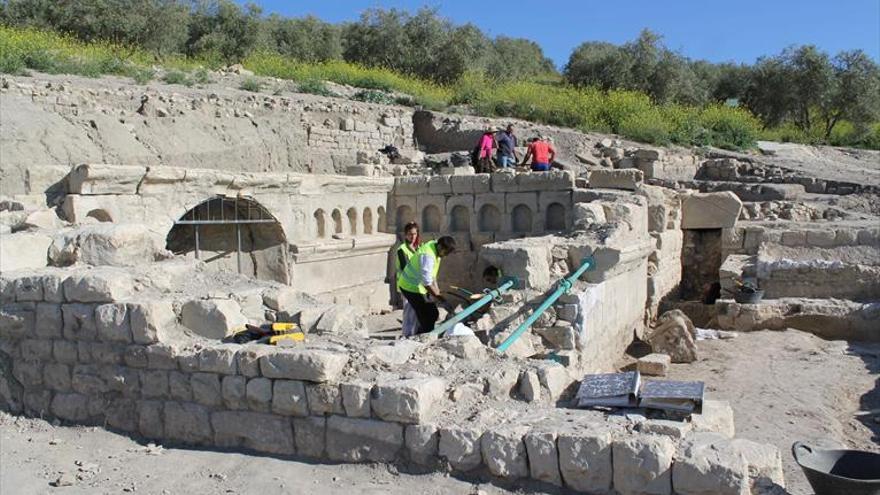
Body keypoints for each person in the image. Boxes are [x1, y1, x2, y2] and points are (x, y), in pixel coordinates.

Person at [397, 236, 457, 334]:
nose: (445, 256)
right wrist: (441, 299)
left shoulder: (435, 248)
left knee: (433, 313)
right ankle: (423, 338)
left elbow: (432, 278)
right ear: (440, 247)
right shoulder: (428, 256)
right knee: (427, 316)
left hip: (418, 286)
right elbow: (427, 283)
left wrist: (439, 296)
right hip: (409, 287)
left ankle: (422, 334)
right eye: (445, 253)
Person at [395, 222, 421, 337]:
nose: (413, 236)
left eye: (415, 234)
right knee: (408, 312)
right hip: (406, 285)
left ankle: (414, 334)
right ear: (405, 235)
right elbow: (406, 268)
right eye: (410, 234)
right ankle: (406, 335)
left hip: (417, 285)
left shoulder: (418, 248)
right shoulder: (402, 250)